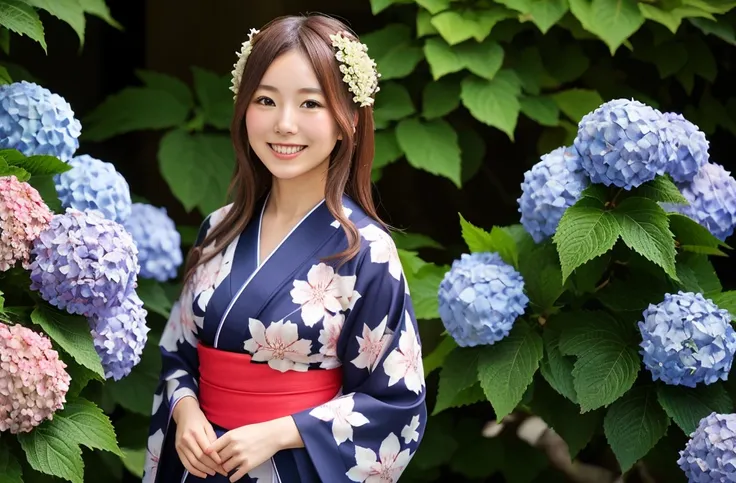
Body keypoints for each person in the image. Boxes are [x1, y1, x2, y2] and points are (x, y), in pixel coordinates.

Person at [143, 14, 427, 483]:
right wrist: (186, 410)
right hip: (198, 465)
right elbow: (179, 352)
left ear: (347, 121)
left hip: (293, 468)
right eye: (266, 100)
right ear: (243, 110)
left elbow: (396, 402)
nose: (284, 123)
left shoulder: (368, 252)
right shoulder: (219, 227)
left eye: (311, 103)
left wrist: (282, 431)